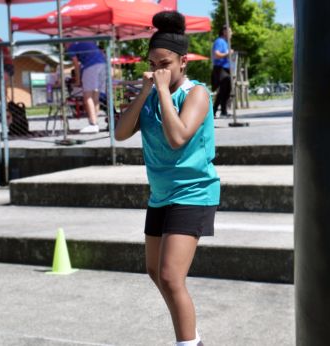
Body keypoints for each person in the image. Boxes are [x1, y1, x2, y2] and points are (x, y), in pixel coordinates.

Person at [115, 11, 220, 346]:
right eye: (152, 62)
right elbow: (119, 133)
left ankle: (187, 344)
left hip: (194, 192)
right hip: (161, 194)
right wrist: (145, 92)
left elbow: (178, 137)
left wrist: (161, 91)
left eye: (165, 63)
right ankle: (194, 339)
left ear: (183, 62)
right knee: (154, 272)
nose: (158, 69)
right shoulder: (151, 95)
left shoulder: (197, 94)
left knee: (172, 278)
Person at [65, 40, 106, 134]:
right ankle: (95, 122)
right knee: (95, 95)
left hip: (91, 67)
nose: (64, 48)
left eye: (64, 45)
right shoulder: (85, 41)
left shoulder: (71, 46)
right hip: (103, 65)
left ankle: (93, 124)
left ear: (66, 43)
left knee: (87, 96)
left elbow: (76, 64)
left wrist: (78, 81)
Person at [211, 25, 233, 117]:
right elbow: (217, 54)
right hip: (220, 68)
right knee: (224, 87)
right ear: (224, 31)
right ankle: (215, 111)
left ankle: (222, 111)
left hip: (226, 68)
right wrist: (228, 53)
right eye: (230, 31)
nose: (231, 33)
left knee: (227, 89)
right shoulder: (219, 41)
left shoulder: (225, 42)